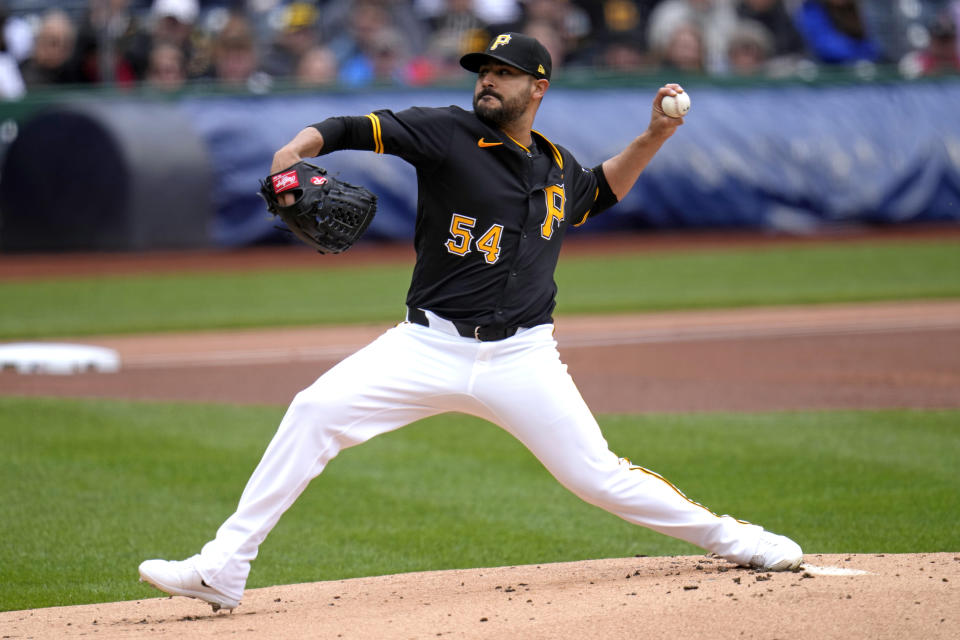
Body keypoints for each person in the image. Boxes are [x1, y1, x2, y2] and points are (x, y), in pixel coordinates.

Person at [138, 31, 803, 613]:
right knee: (314, 411)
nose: (487, 80)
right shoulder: (447, 132)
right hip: (426, 345)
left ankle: (733, 538)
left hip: (523, 359)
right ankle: (224, 566)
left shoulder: (555, 166)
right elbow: (353, 127)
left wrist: (654, 137)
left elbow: (596, 193)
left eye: (503, 72)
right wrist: (295, 147)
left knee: (596, 475)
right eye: (483, 70)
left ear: (537, 87)